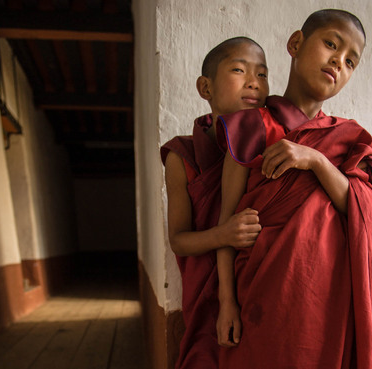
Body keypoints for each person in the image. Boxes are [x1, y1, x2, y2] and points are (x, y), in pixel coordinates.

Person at [214, 9, 372, 369]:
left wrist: (315, 160)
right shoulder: (248, 128)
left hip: (327, 302)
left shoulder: (348, 141)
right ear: (296, 44)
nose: (338, 61)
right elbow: (228, 222)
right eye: (330, 43)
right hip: (261, 298)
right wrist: (227, 302)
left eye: (350, 61)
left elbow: (367, 213)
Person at [161, 36, 270, 369]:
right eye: (239, 69)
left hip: (261, 290)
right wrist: (224, 235)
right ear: (205, 87)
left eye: (263, 74)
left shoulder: (273, 141)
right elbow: (178, 240)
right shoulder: (184, 156)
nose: (254, 81)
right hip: (207, 298)